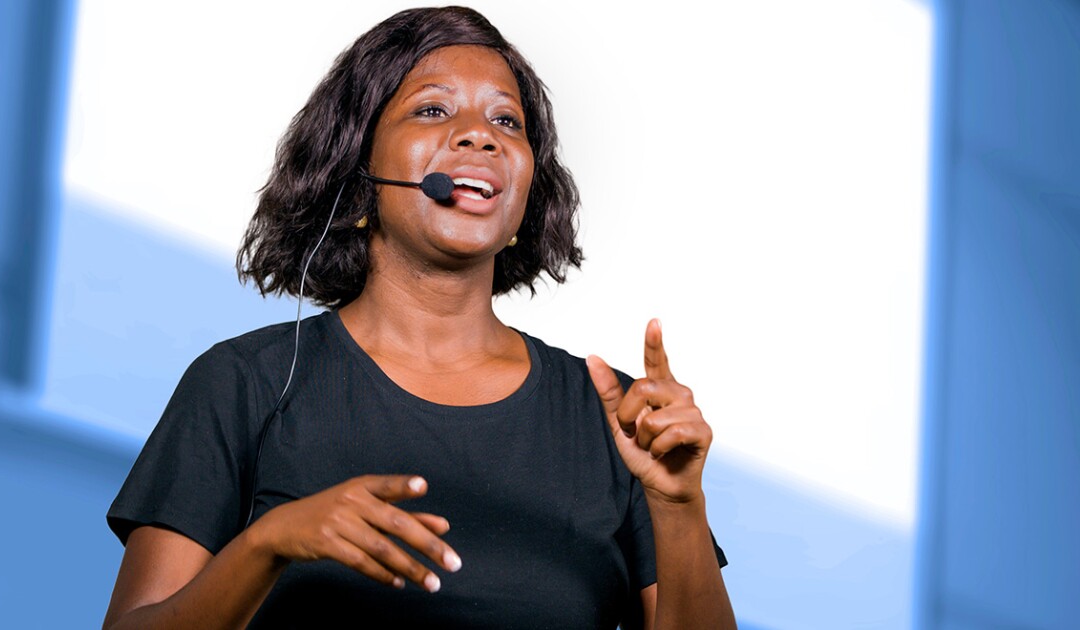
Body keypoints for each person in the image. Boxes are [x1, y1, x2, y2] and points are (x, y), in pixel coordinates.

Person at [102, 6, 733, 629]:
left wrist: (679, 509)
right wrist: (265, 544)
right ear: (359, 168)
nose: (479, 135)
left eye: (506, 121)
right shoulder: (243, 383)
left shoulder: (618, 420)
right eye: (433, 109)